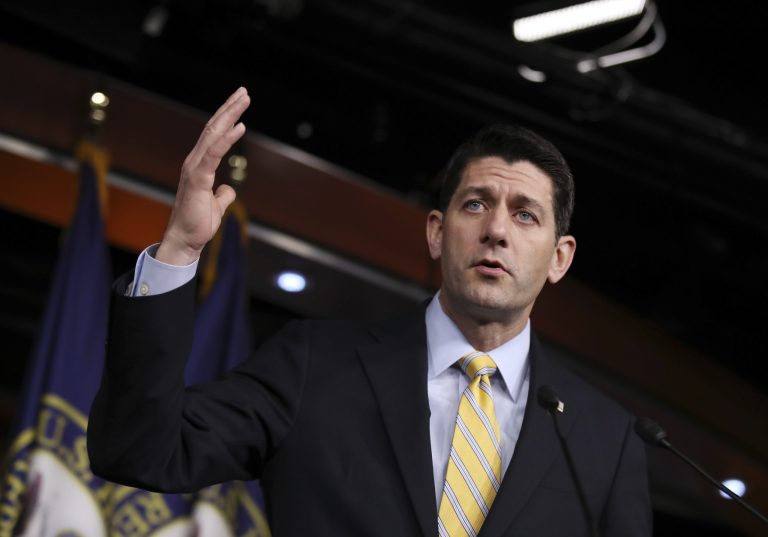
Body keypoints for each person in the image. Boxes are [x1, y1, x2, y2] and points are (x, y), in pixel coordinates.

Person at [88, 87, 652, 536]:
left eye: (525, 215)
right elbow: (139, 449)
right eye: (476, 204)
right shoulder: (314, 365)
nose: (497, 230)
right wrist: (180, 252)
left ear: (560, 258)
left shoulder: (605, 437)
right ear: (437, 232)